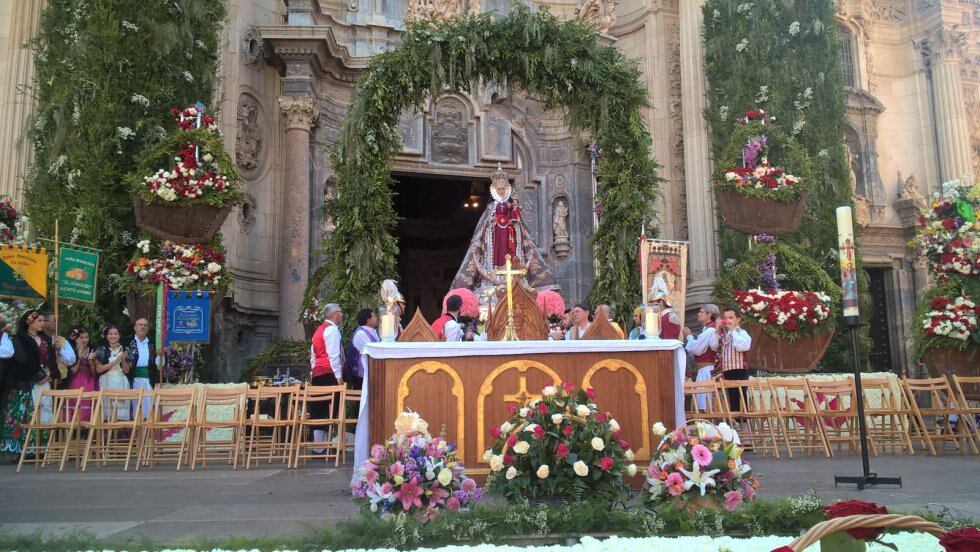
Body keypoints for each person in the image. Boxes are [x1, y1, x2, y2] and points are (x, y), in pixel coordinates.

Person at [0, 311, 38, 454]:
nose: (41, 323)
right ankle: (15, 449)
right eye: (38, 321)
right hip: (18, 382)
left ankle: (28, 449)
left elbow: (34, 360)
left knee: (28, 416)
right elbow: (13, 357)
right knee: (17, 415)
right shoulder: (16, 338)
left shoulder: (41, 339)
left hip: (31, 381)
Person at [310, 303, 344, 453]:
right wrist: (338, 376)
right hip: (329, 373)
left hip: (318, 373)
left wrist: (314, 371)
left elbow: (313, 355)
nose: (342, 315)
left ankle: (318, 447)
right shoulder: (332, 329)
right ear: (334, 314)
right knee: (330, 409)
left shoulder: (318, 330)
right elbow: (334, 354)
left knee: (319, 408)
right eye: (340, 313)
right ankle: (322, 447)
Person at [682, 304, 720, 411]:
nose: (698, 314)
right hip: (704, 369)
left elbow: (696, 349)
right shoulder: (707, 329)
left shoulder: (710, 330)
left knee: (705, 401)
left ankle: (707, 423)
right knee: (703, 399)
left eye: (701, 312)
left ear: (709, 315)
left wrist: (689, 337)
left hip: (707, 370)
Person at [715, 307, 752, 413]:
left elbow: (742, 347)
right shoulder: (723, 334)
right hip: (726, 371)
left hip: (739, 370)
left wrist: (733, 330)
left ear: (738, 319)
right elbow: (714, 347)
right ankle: (732, 426)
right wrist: (717, 331)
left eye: (731, 317)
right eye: (725, 317)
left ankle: (745, 426)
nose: (727, 320)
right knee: (729, 401)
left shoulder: (742, 332)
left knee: (740, 400)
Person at [125, 318, 163, 420]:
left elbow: (159, 366)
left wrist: (160, 355)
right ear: (135, 327)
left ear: (148, 328)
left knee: (148, 410)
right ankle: (134, 433)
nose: (143, 327)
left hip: (148, 379)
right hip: (131, 379)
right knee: (134, 409)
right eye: (140, 325)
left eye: (145, 325)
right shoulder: (127, 341)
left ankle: (147, 434)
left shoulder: (152, 344)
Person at [95, 325, 130, 420]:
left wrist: (123, 360)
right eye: (110, 334)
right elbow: (99, 369)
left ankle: (120, 432)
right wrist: (115, 361)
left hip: (120, 380)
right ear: (106, 336)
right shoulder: (100, 350)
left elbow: (127, 371)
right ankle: (107, 433)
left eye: (115, 334)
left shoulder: (125, 350)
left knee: (120, 413)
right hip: (106, 381)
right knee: (107, 414)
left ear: (119, 336)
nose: (113, 336)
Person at [66, 328, 98, 422]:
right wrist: (79, 356)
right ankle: (74, 431)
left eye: (87, 337)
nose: (84, 340)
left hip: (89, 382)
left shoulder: (92, 350)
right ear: (76, 339)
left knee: (87, 406)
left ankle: (86, 433)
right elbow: (72, 371)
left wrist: (90, 362)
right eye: (81, 337)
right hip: (76, 381)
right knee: (75, 405)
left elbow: (94, 373)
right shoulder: (72, 352)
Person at [347, 308, 378, 390]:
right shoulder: (361, 333)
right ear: (368, 320)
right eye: (374, 317)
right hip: (359, 373)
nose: (376, 318)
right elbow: (372, 351)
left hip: (368, 371)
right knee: (361, 400)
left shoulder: (372, 331)